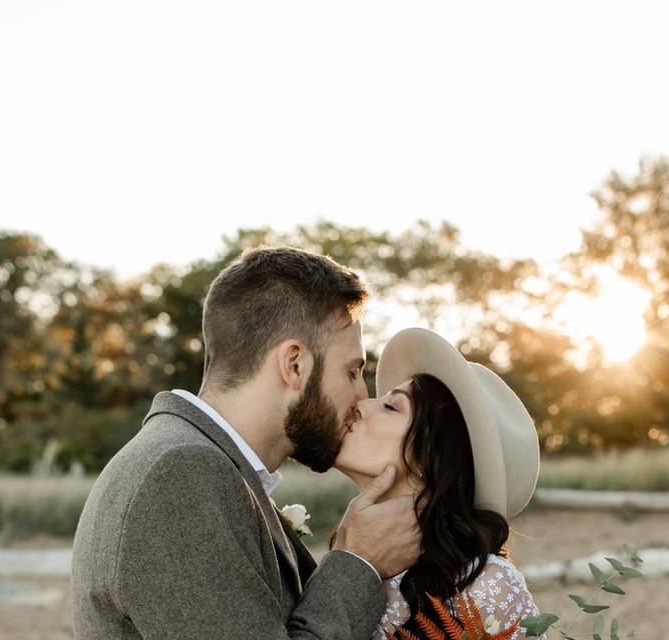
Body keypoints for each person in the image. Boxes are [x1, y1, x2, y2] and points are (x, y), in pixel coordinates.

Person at [71, 246, 421, 640]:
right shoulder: (180, 476)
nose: (361, 398)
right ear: (295, 365)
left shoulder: (205, 464)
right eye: (352, 371)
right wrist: (361, 561)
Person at [334, 327, 542, 639]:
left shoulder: (484, 586)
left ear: (434, 456)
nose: (361, 405)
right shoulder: (346, 556)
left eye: (391, 406)